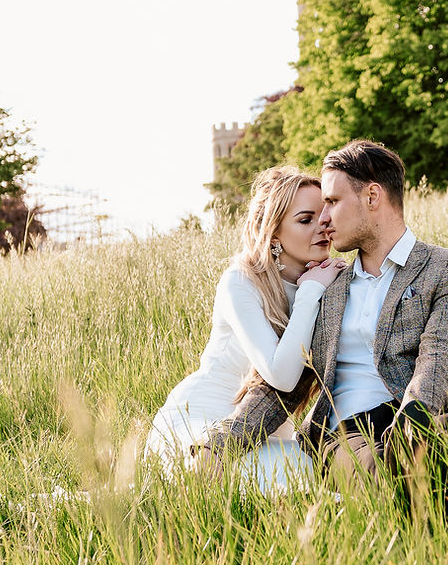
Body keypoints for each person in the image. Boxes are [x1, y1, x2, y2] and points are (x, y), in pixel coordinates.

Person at [198, 139, 448, 483]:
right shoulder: (326, 286)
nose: (323, 217)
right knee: (380, 462)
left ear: (372, 197)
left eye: (332, 202)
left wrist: (413, 425)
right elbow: (284, 386)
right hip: (348, 434)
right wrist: (220, 442)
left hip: (418, 417)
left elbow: (440, 359)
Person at [143, 165, 346, 492]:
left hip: (265, 428)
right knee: (296, 476)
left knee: (315, 471)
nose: (322, 226)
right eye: (305, 219)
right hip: (201, 420)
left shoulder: (331, 282)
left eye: (325, 216)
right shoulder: (241, 281)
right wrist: (311, 292)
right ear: (274, 232)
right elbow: (280, 375)